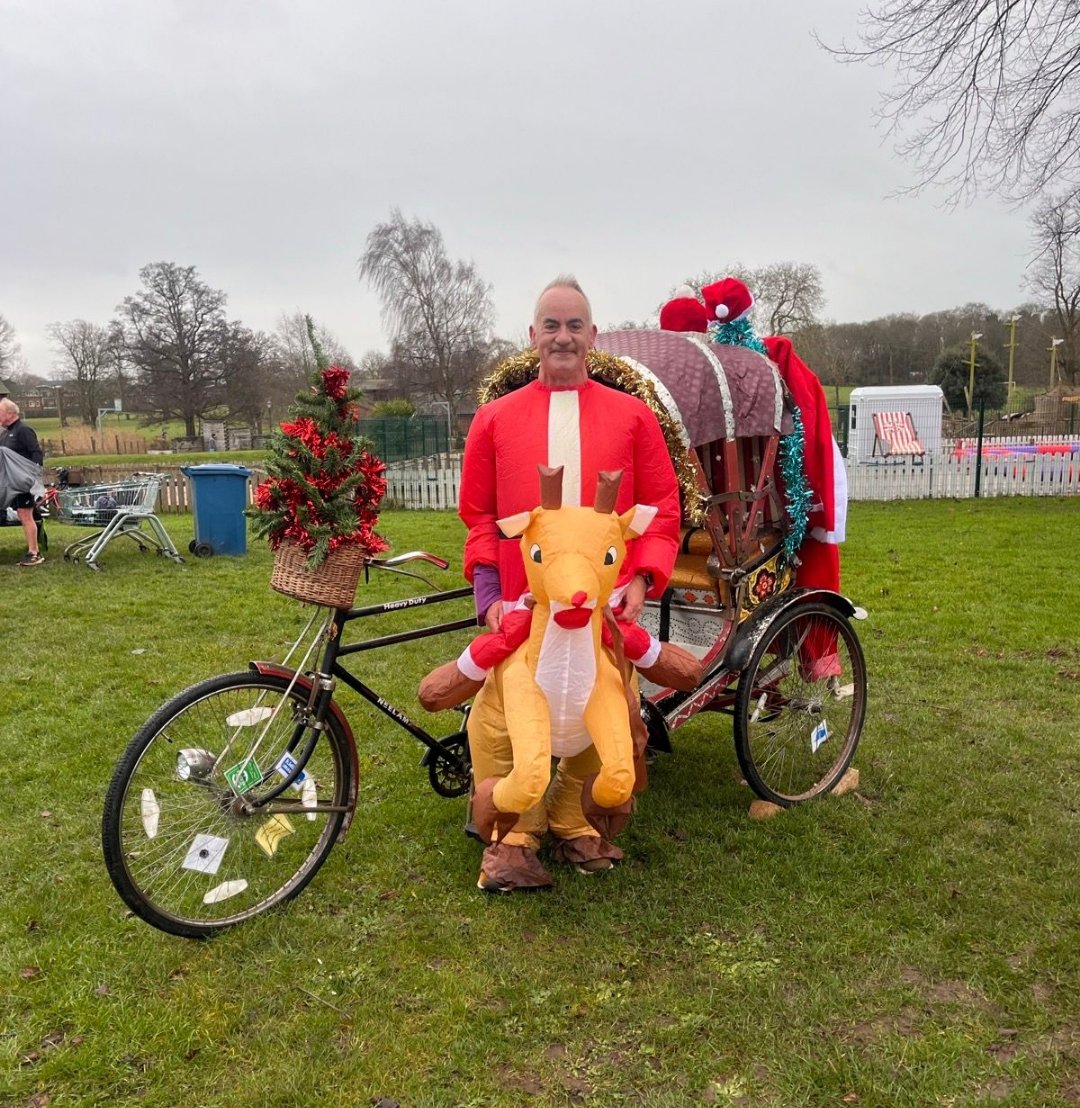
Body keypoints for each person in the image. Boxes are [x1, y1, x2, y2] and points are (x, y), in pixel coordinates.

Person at [458, 276, 681, 892]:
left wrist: (641, 575)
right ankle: (513, 839)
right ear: (532, 337)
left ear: (593, 336)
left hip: (602, 608)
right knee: (505, 724)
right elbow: (478, 514)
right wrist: (488, 594)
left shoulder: (633, 417)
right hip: (521, 606)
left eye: (574, 325)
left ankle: (575, 821)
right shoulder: (495, 419)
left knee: (597, 712)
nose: (562, 336)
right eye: (551, 325)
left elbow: (662, 506)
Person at [0, 398, 45, 566]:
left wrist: (34, 480)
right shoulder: (4, 433)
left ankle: (34, 553)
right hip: (10, 483)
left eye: (0, 412)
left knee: (26, 515)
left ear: (10, 413)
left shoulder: (23, 430)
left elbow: (36, 454)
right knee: (20, 514)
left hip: (23, 482)